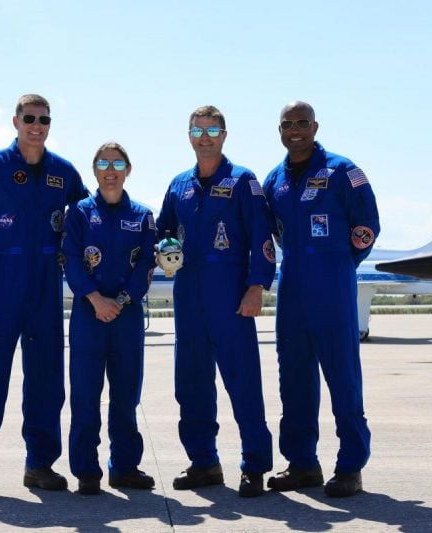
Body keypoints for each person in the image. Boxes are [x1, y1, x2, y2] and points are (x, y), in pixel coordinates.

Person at [0, 93, 88, 501]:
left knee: (47, 381)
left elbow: (91, 218)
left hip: (46, 287)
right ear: (15, 122)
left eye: (44, 120)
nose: (37, 126)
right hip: (0, 287)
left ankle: (40, 465)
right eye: (30, 118)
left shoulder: (64, 173)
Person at [156, 105, 276, 498]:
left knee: (243, 382)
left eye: (211, 131)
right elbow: (163, 230)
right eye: (197, 131)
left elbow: (262, 236)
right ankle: (203, 462)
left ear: (224, 135)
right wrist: (163, 248)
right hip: (188, 295)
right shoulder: (179, 185)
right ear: (188, 136)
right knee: (191, 385)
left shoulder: (243, 181)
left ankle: (254, 465)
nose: (204, 138)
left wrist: (257, 286)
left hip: (231, 296)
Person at [262, 100, 380, 498]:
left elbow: (367, 226)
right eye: (287, 124)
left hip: (333, 283)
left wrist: (341, 263)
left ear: (315, 127)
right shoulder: (274, 180)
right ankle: (302, 464)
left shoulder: (343, 171)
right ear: (280, 130)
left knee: (342, 375)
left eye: (302, 123)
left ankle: (350, 466)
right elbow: (269, 231)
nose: (295, 130)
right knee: (293, 377)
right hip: (292, 284)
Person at [62, 142, 158, 495]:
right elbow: (71, 259)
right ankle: (87, 471)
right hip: (88, 315)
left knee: (126, 396)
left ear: (128, 170)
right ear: (95, 171)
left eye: (117, 164)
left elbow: (146, 263)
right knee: (85, 396)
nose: (110, 170)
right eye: (103, 164)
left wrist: (119, 301)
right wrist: (95, 299)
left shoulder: (143, 216)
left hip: (126, 315)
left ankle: (125, 468)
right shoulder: (79, 213)